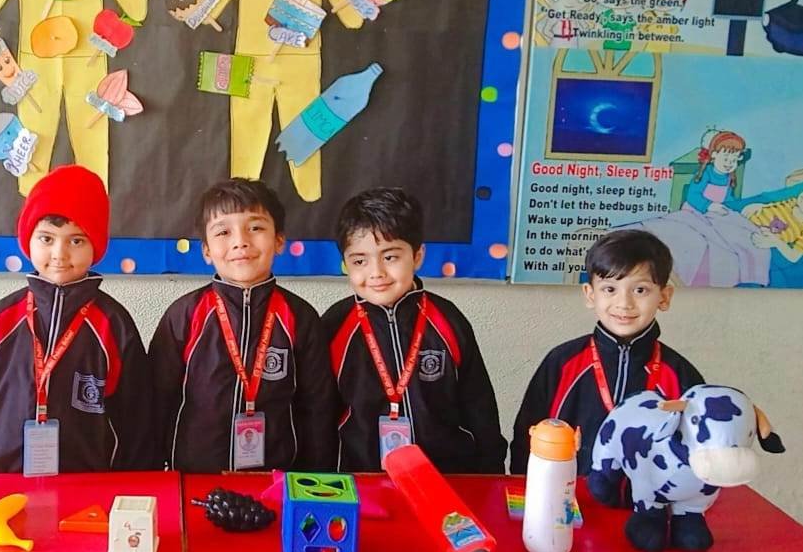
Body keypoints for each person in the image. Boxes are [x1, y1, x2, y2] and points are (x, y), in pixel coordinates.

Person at [0, 165, 154, 473]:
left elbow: (137, 419)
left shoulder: (113, 324)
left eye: (76, 241)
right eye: (47, 238)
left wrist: (134, 488)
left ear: (95, 246)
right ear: (28, 240)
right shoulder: (1, 318)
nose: (60, 254)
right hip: (5, 481)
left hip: (89, 487)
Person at [150, 178, 339, 472]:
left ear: (279, 241)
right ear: (206, 250)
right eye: (223, 232)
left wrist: (312, 481)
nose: (241, 242)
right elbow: (155, 402)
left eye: (256, 228)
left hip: (277, 479)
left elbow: (317, 409)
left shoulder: (300, 318)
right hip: (195, 476)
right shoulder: (184, 315)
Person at [322, 187, 507, 473]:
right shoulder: (335, 325)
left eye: (390, 257)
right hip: (361, 478)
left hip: (446, 477)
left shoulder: (447, 320)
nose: (376, 273)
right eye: (360, 261)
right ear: (346, 264)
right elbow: (319, 414)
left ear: (417, 256)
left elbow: (479, 407)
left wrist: (490, 477)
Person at [511, 229, 705, 476]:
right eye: (610, 289)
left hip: (648, 500)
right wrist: (526, 487)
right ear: (590, 294)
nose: (624, 303)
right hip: (565, 495)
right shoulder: (562, 362)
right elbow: (526, 438)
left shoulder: (680, 376)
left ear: (664, 297)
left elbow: (700, 452)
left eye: (640, 290)